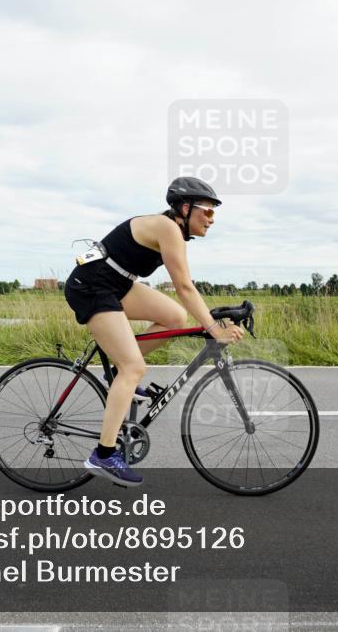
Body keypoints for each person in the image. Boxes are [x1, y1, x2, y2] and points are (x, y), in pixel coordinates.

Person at [64, 177, 244, 486]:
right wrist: (213, 329)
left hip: (115, 283)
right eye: (208, 212)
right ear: (185, 209)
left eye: (215, 214)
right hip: (92, 287)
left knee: (175, 316)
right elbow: (184, 286)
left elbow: (187, 289)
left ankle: (119, 375)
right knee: (134, 368)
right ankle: (104, 455)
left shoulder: (171, 230)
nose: (212, 220)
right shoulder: (168, 228)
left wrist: (212, 317)